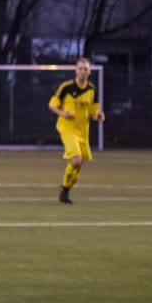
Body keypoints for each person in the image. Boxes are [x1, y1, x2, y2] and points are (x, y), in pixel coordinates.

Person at [49, 57, 106, 204]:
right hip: (67, 128)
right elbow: (52, 105)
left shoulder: (92, 90)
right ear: (76, 71)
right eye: (80, 68)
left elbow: (93, 112)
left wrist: (98, 116)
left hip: (82, 132)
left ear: (89, 72)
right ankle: (64, 189)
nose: (83, 71)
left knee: (79, 164)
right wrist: (63, 113)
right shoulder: (66, 87)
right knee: (76, 159)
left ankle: (65, 191)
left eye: (86, 69)